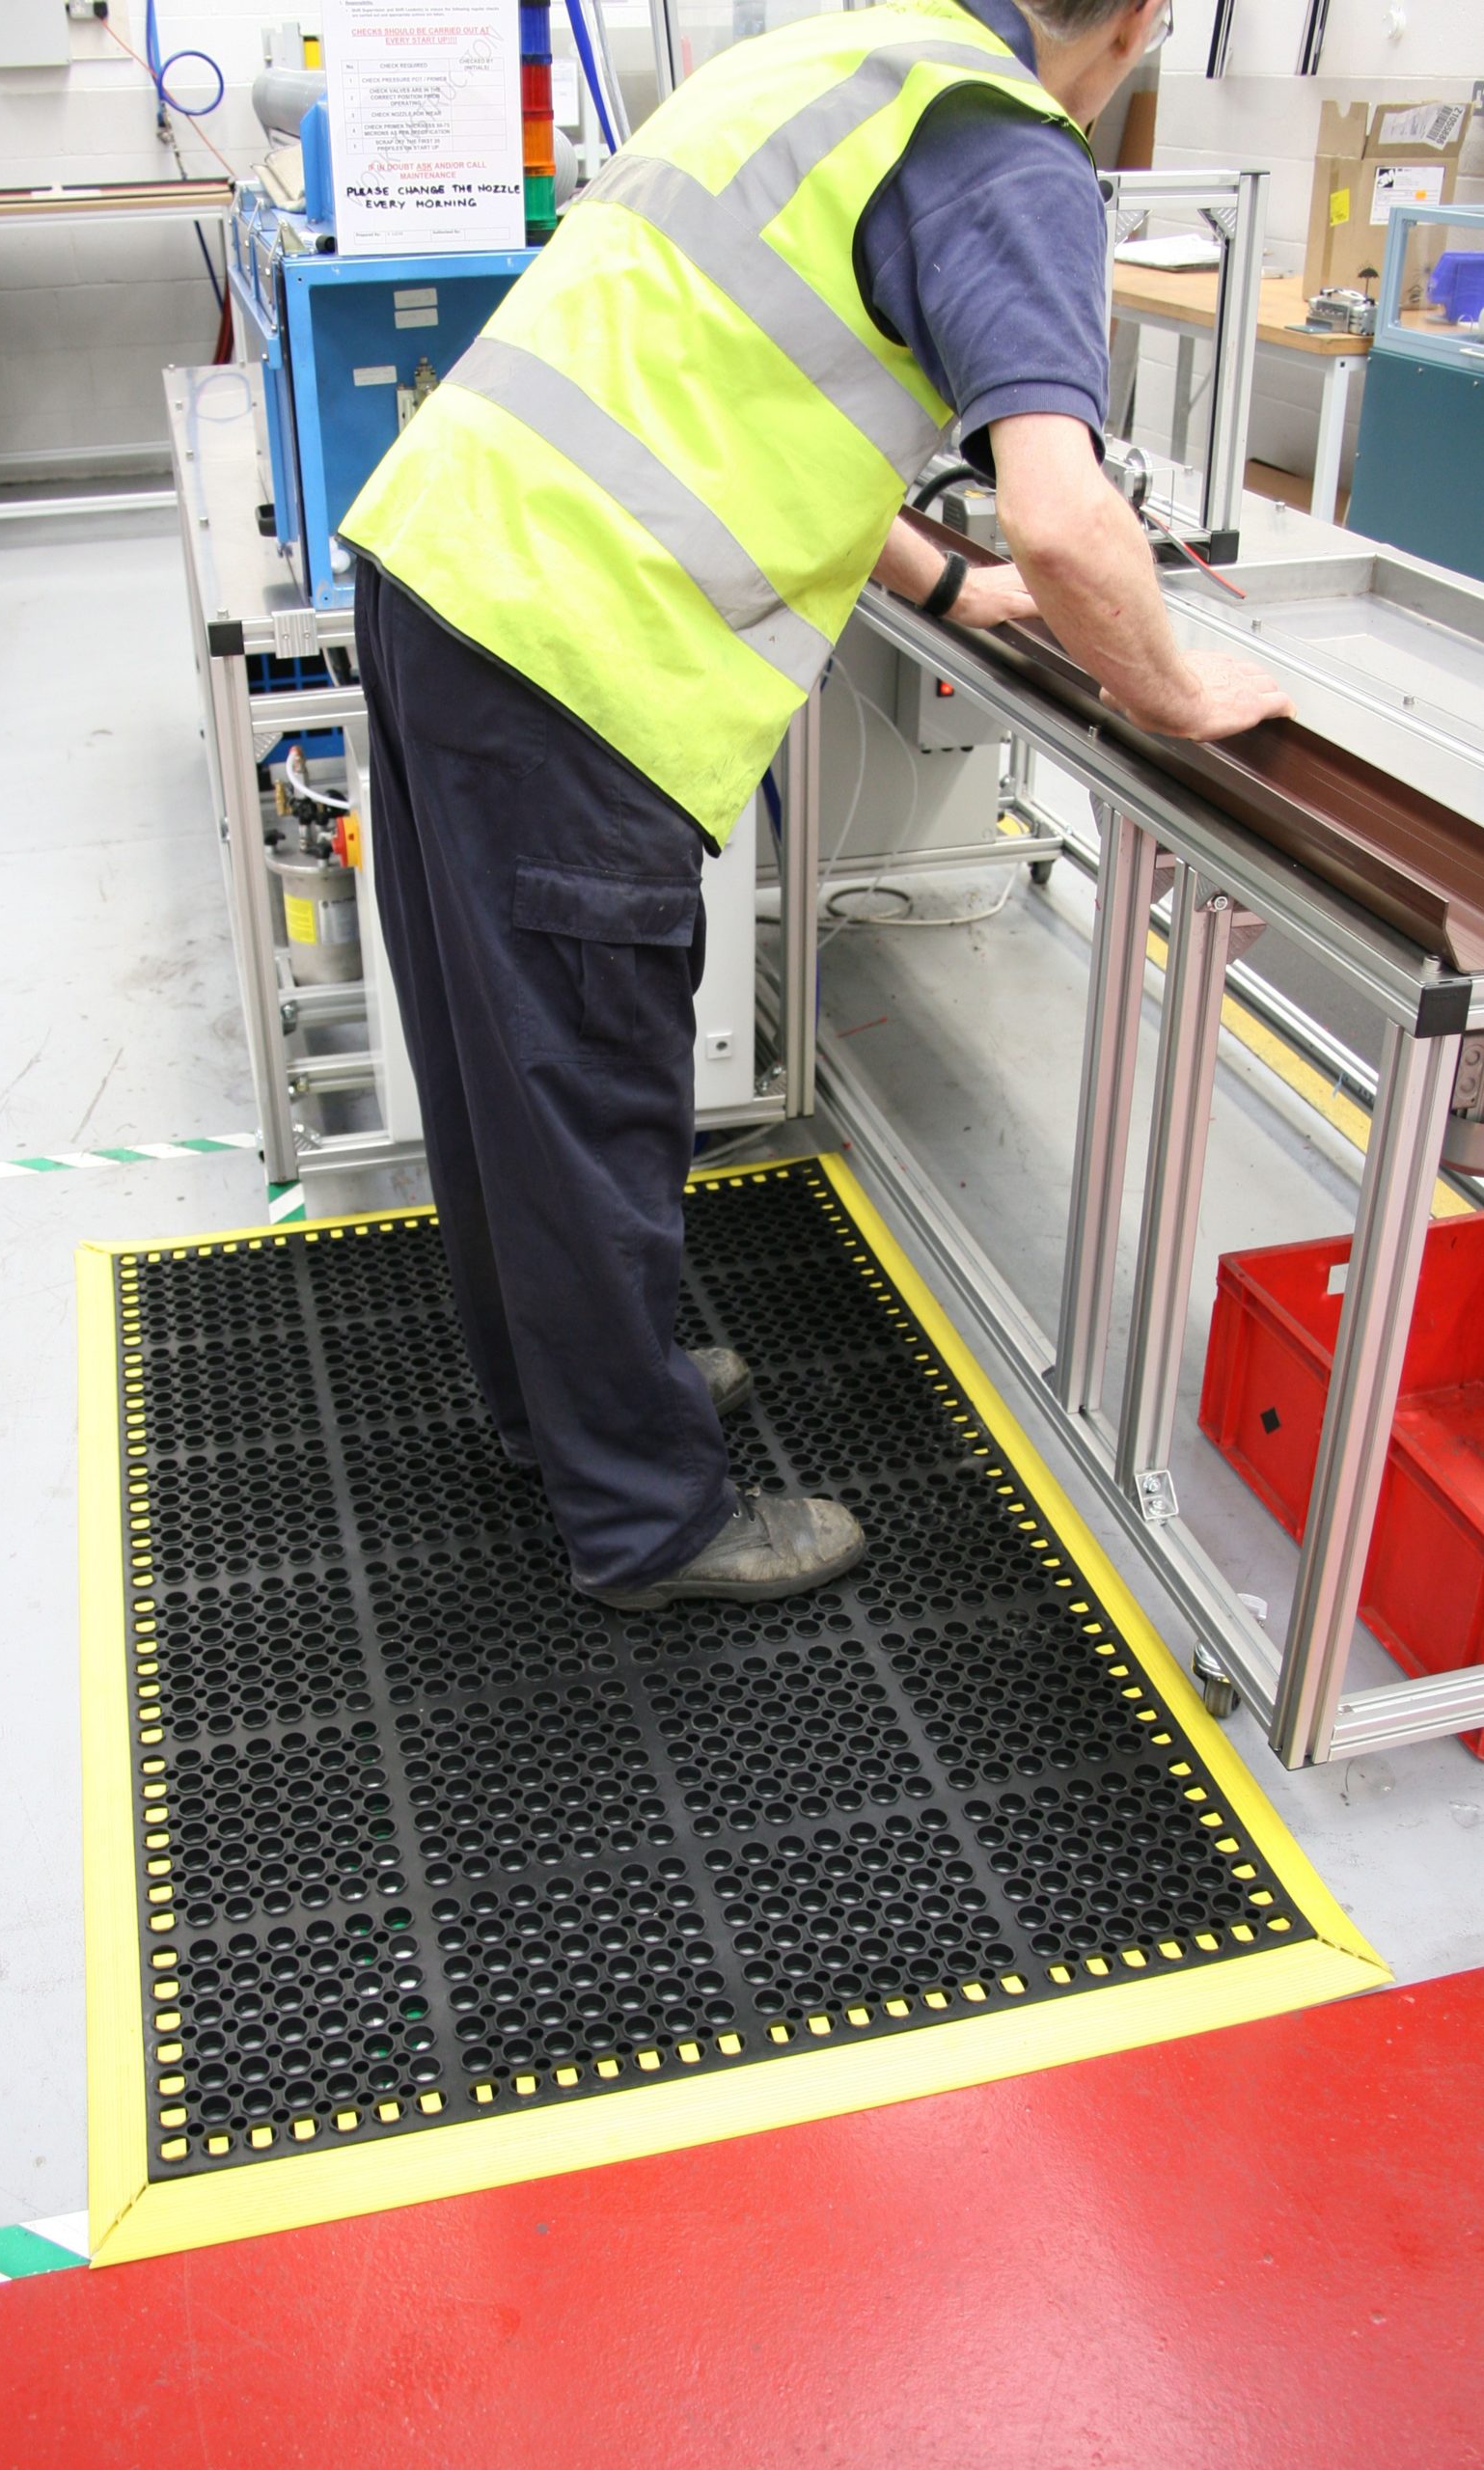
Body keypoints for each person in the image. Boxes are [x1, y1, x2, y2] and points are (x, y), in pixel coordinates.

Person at [339, 0, 1293, 1614]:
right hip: (577, 645)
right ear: (1137, 24)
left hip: (445, 567)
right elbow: (1067, 516)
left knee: (499, 1070)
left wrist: (946, 581)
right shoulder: (1006, 143)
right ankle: (645, 1520)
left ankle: (559, 1404)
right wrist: (1178, 694)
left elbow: (742, 381)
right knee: (585, 1094)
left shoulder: (831, 58)